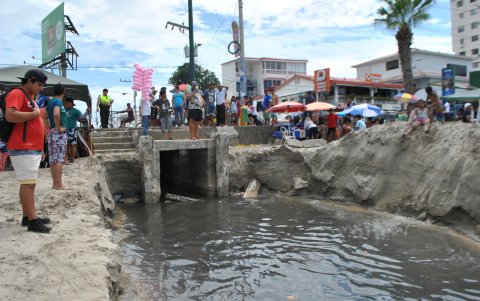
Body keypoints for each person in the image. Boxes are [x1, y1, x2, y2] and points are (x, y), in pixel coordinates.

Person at [5, 69, 51, 233]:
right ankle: (32, 221)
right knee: (28, 184)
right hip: (23, 146)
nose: (41, 88)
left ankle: (27, 216)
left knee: (28, 183)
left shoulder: (28, 97)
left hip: (29, 147)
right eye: (39, 84)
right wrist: (35, 113)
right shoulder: (17, 93)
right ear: (29, 81)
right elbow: (10, 115)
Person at [46, 83, 68, 190]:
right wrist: (58, 128)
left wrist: (48, 128)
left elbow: (44, 117)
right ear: (63, 92)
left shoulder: (50, 102)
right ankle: (59, 184)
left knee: (53, 159)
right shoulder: (58, 101)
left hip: (52, 132)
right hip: (58, 133)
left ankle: (55, 184)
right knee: (59, 158)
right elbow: (56, 114)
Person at [64, 97, 87, 163]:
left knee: (73, 144)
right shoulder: (64, 110)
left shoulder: (76, 111)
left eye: (67, 103)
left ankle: (72, 159)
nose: (66, 104)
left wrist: (87, 112)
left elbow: (82, 117)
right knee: (66, 145)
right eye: (66, 103)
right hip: (65, 129)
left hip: (73, 129)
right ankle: (66, 158)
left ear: (71, 103)